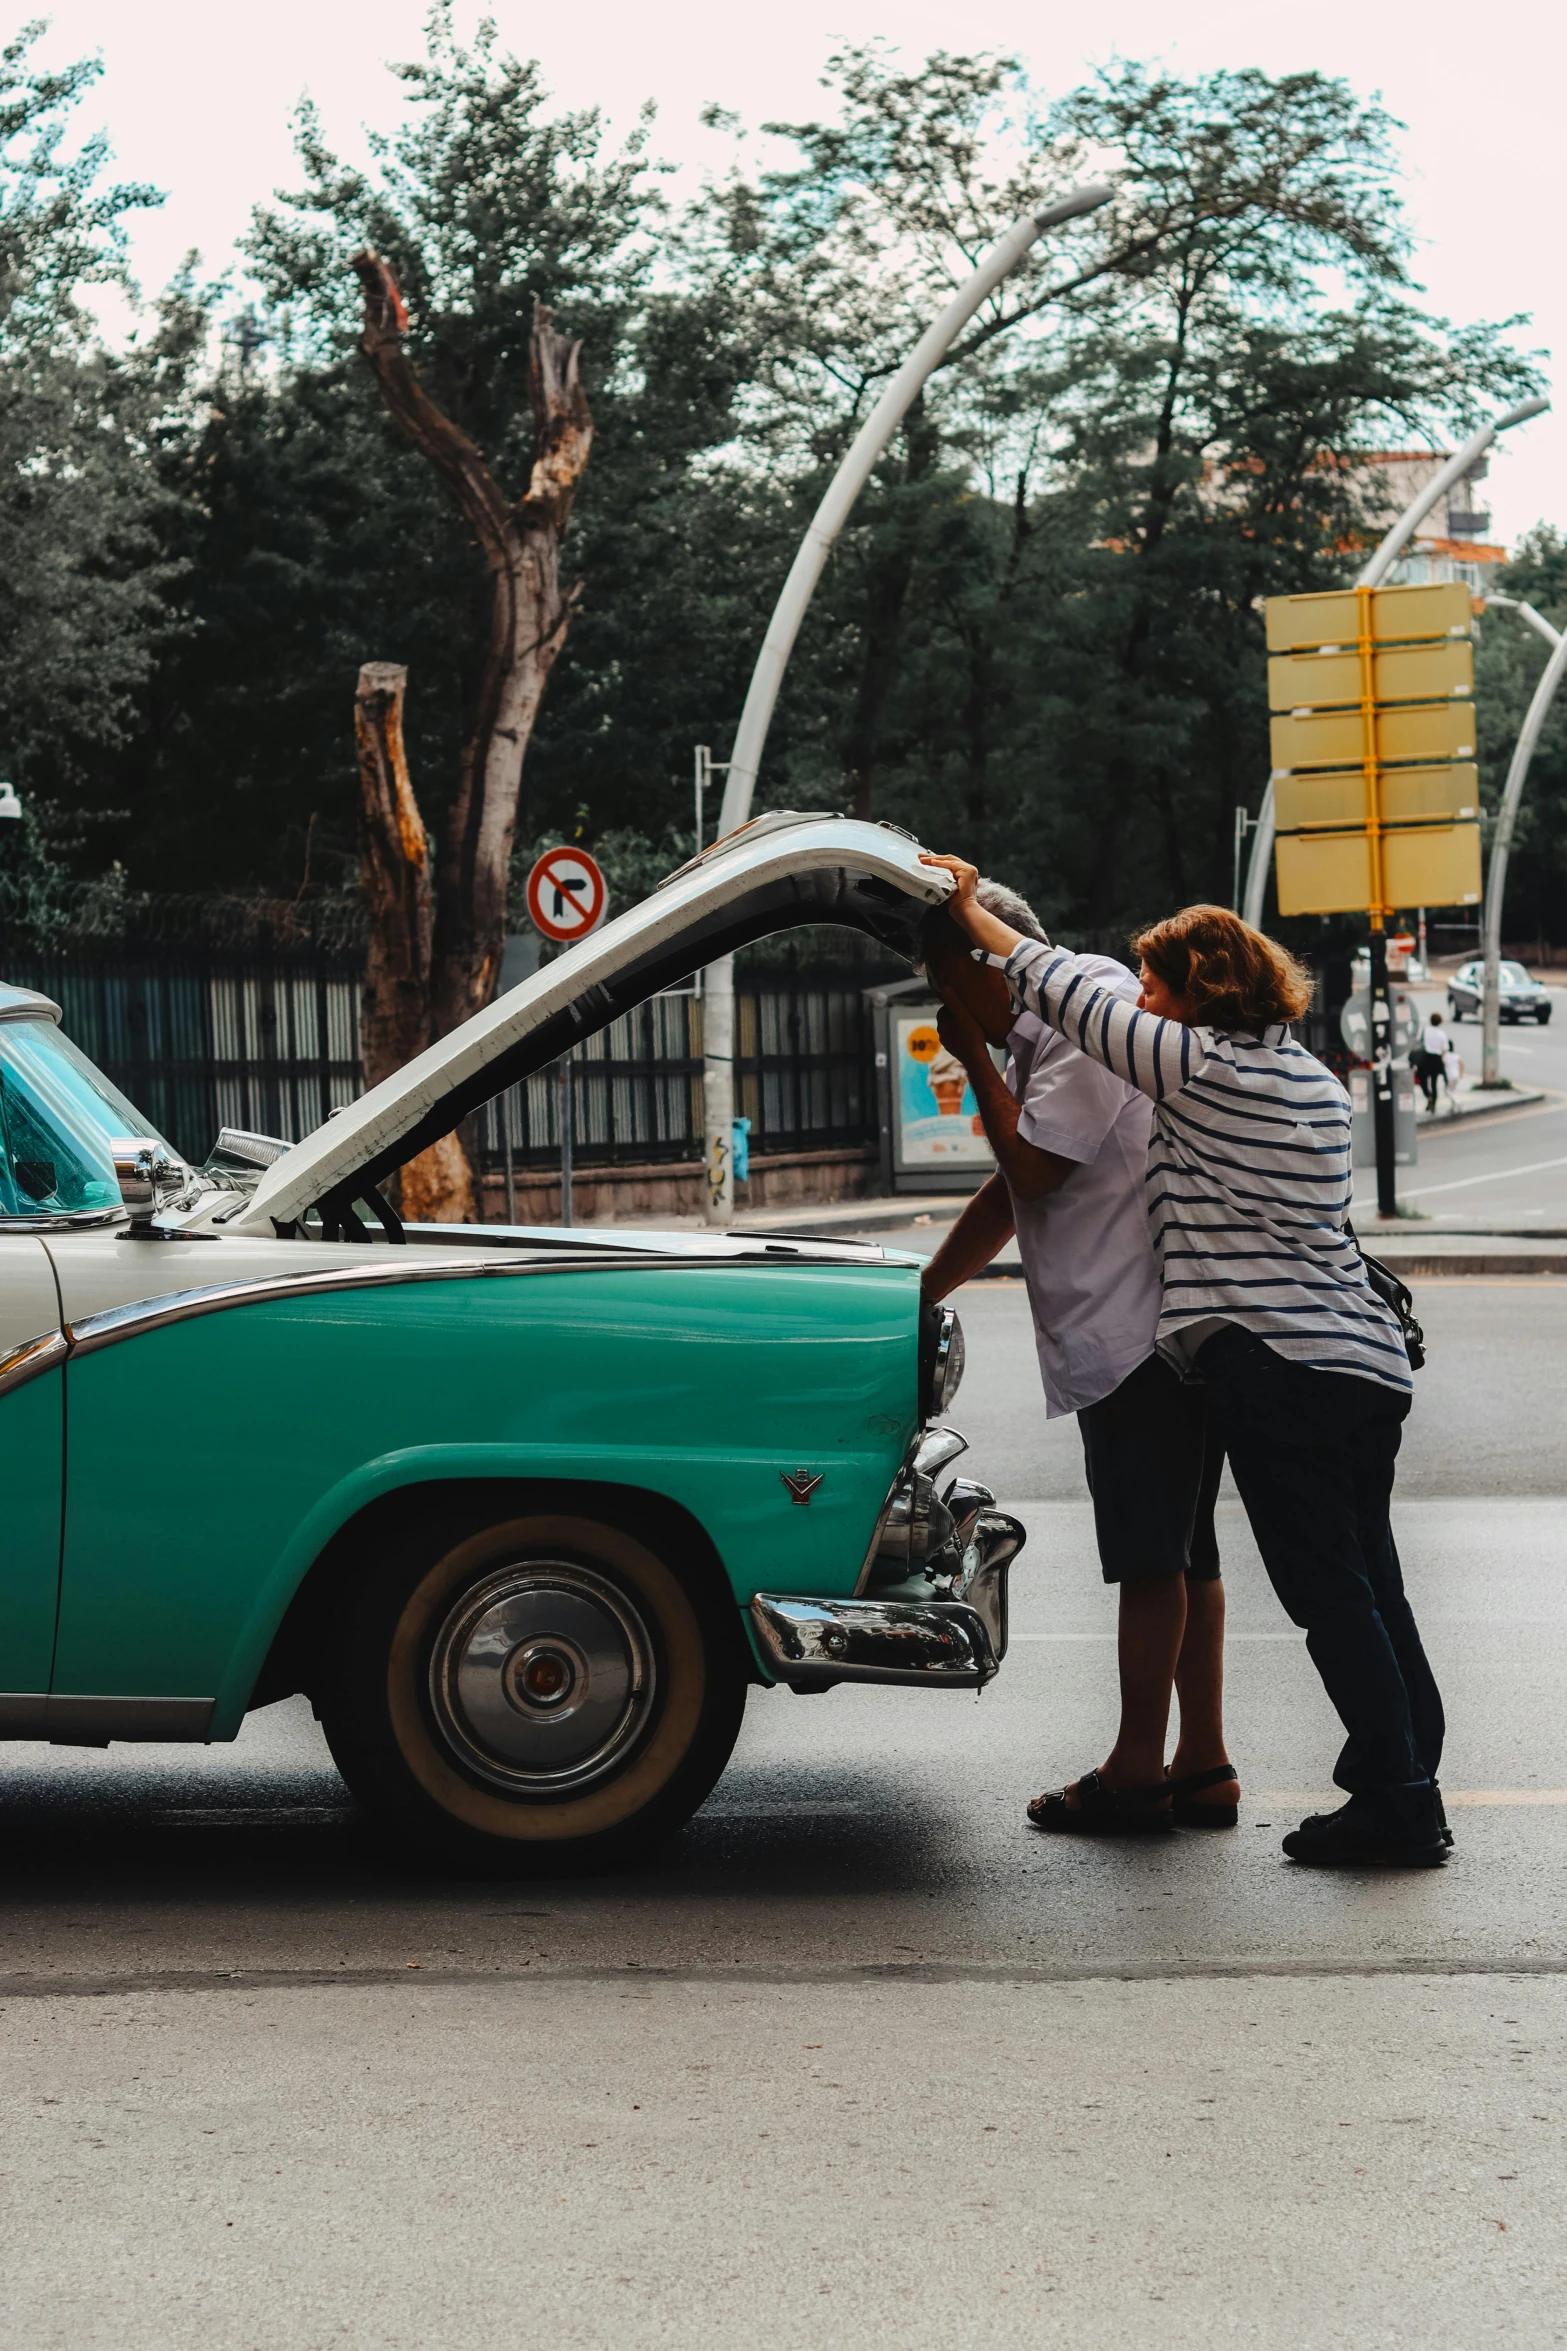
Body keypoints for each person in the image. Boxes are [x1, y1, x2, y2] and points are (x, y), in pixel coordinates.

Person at [920, 857, 1449, 1870]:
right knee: (1368, 1579)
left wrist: (965, 915)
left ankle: (1396, 1800)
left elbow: (1065, 995)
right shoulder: (1307, 1078)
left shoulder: (1195, 1067)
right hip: (1360, 1358)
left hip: (1281, 1363)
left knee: (1324, 1586)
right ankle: (1408, 1767)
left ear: (1197, 996)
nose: (1138, 998)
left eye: (1154, 987)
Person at [918, 881, 1234, 1836]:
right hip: (1152, 1327)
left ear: (986, 960)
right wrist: (920, 1293)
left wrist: (970, 1055)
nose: (942, 1003)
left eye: (944, 975)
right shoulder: (1059, 1027)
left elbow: (1034, 1170)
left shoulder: (1090, 1014)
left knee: (1153, 1558)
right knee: (1183, 1552)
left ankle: (1139, 1769)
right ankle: (1202, 1761)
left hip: (1139, 1335)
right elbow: (1009, 1194)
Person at [1414, 1009, 1448, 1113]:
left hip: (1425, 1058)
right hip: (1436, 1059)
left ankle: (1428, 1095)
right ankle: (1434, 1101)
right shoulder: (1442, 1034)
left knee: (1422, 1079)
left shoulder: (1425, 1030)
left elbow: (1418, 1042)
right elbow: (1445, 1049)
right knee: (1434, 1082)